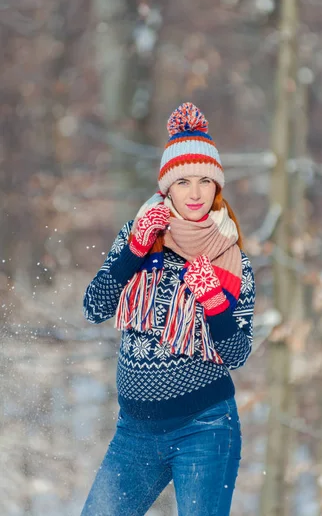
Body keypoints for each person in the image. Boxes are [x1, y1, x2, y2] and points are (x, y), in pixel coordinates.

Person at [81, 102, 256, 516]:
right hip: (134, 433)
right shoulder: (138, 235)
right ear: (167, 188)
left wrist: (214, 301)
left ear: (217, 188)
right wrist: (132, 253)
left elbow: (238, 354)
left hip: (206, 428)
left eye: (204, 181)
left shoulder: (232, 259)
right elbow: (94, 306)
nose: (194, 193)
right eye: (183, 182)